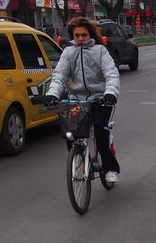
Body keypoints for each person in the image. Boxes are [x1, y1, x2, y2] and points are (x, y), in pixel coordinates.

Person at [45, 16, 121, 184]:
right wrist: (53, 94)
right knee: (71, 134)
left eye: (83, 35)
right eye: (77, 35)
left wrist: (110, 93)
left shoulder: (100, 51)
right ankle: (78, 165)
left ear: (90, 35)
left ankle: (110, 168)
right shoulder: (68, 52)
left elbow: (111, 73)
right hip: (77, 99)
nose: (80, 38)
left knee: (101, 131)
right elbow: (59, 76)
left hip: (101, 98)